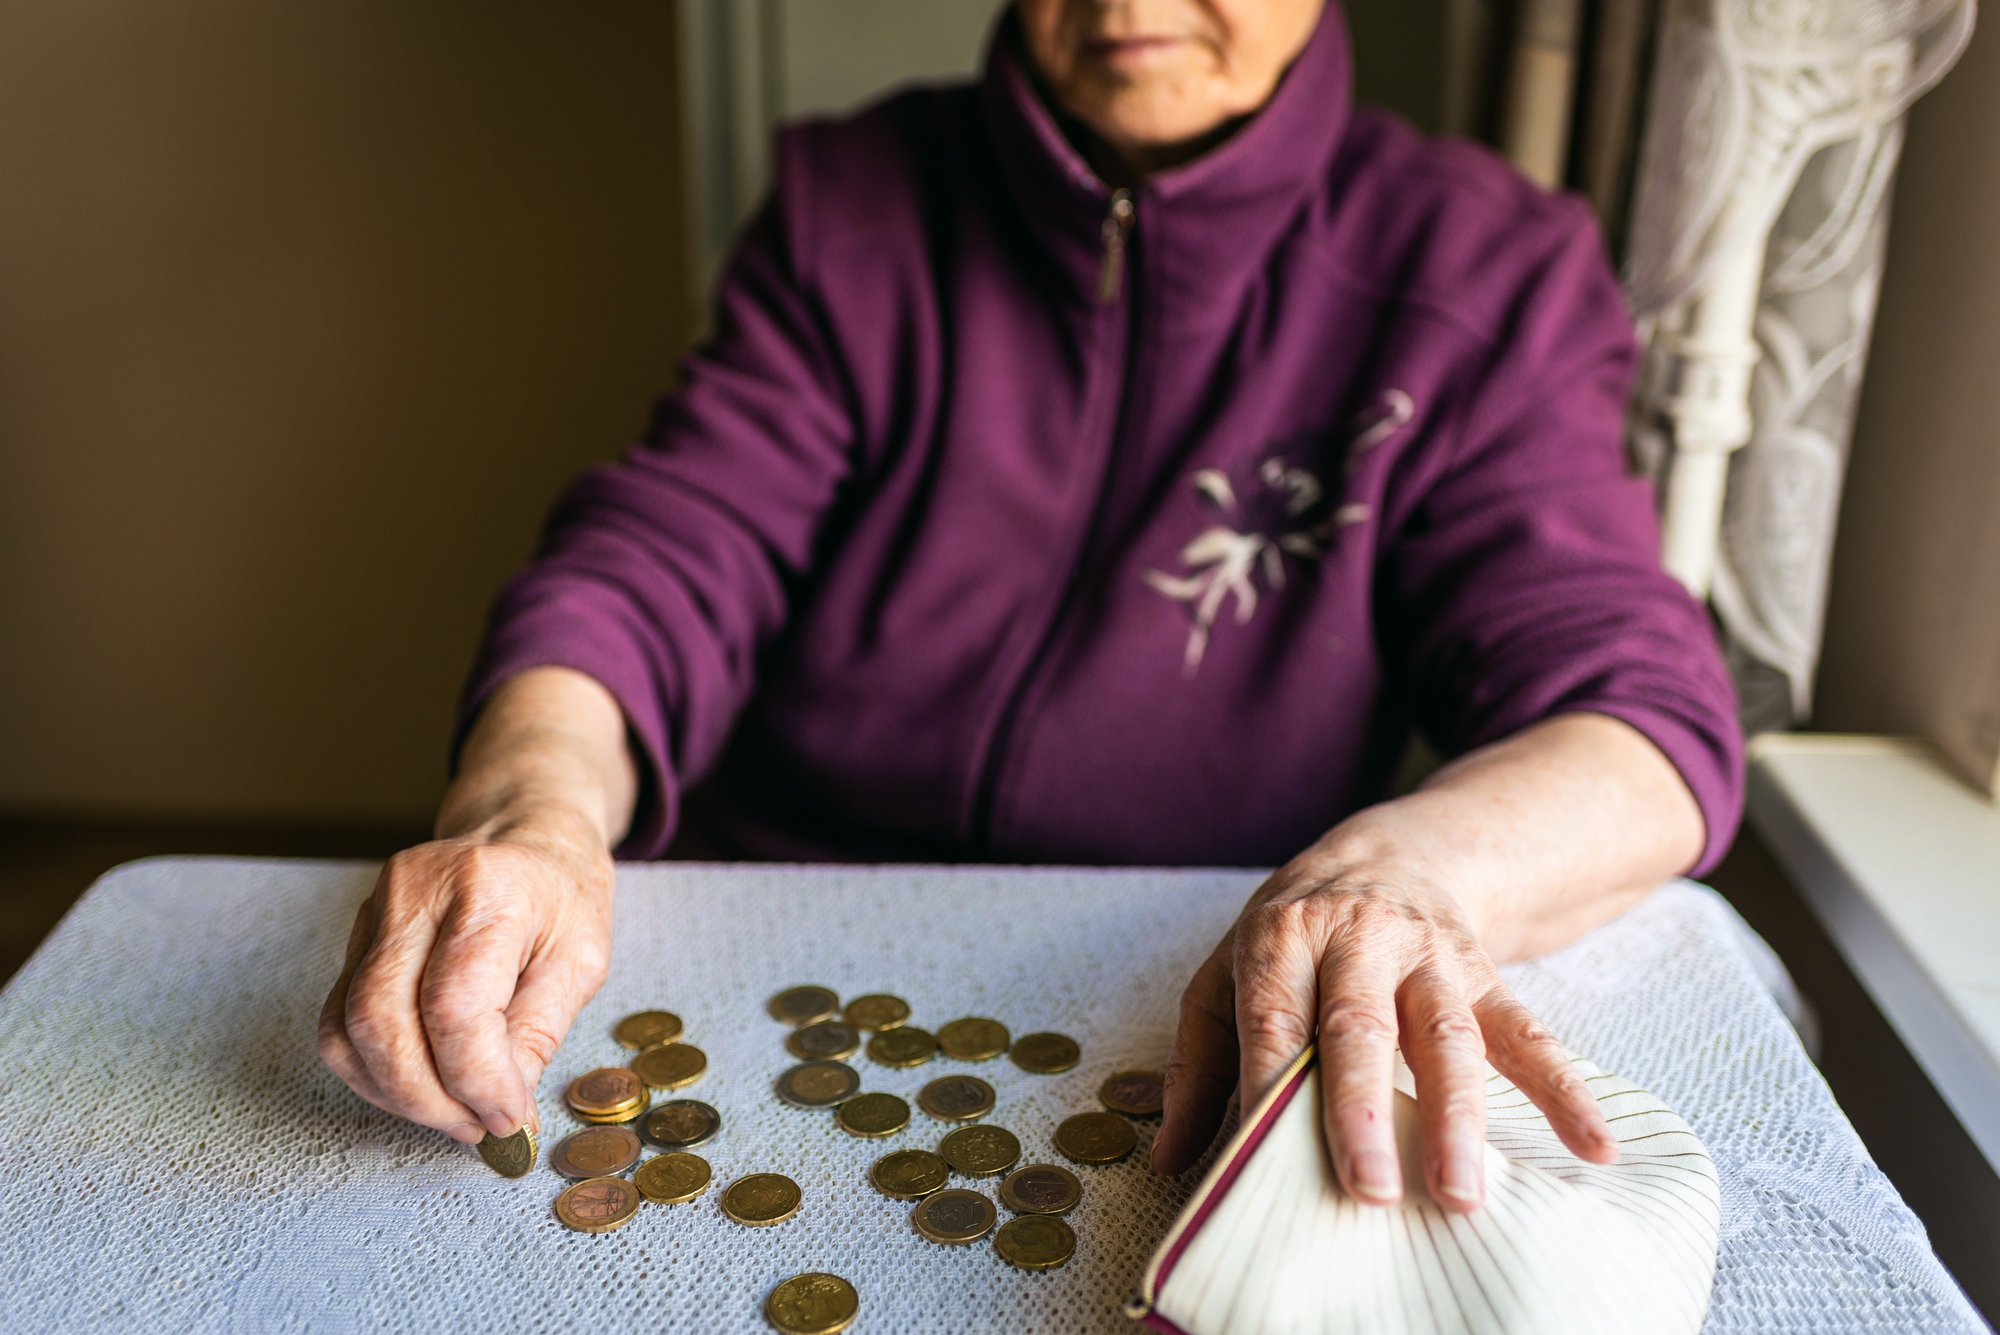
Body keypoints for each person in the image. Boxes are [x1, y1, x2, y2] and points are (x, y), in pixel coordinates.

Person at [318, 0, 1739, 1215]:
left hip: (1171, 979)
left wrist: (1399, 875)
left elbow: (1640, 722)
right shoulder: (853, 196)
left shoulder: (1489, 270)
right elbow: (663, 553)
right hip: (772, 934)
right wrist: (534, 811)